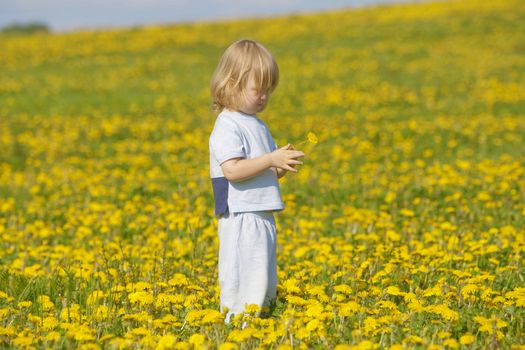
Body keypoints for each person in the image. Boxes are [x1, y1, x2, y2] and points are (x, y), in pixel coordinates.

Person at [209, 39, 305, 324]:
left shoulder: (258, 125)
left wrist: (281, 165)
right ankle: (238, 322)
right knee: (243, 272)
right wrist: (270, 160)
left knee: (263, 271)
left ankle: (260, 318)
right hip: (240, 213)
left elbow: (264, 171)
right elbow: (233, 171)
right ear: (232, 84)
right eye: (257, 89)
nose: (263, 97)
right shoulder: (228, 125)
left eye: (268, 91)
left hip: (260, 211)